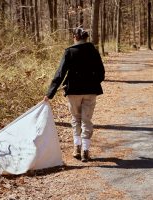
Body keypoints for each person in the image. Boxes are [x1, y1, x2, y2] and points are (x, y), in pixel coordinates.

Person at [44, 27, 105, 162]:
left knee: (76, 119)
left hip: (73, 91)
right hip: (90, 91)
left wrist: (50, 93)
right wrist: (93, 82)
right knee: (86, 120)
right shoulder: (93, 51)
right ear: (85, 38)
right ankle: (85, 151)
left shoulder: (69, 52)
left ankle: (77, 148)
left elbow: (60, 74)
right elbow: (101, 73)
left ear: (75, 37)